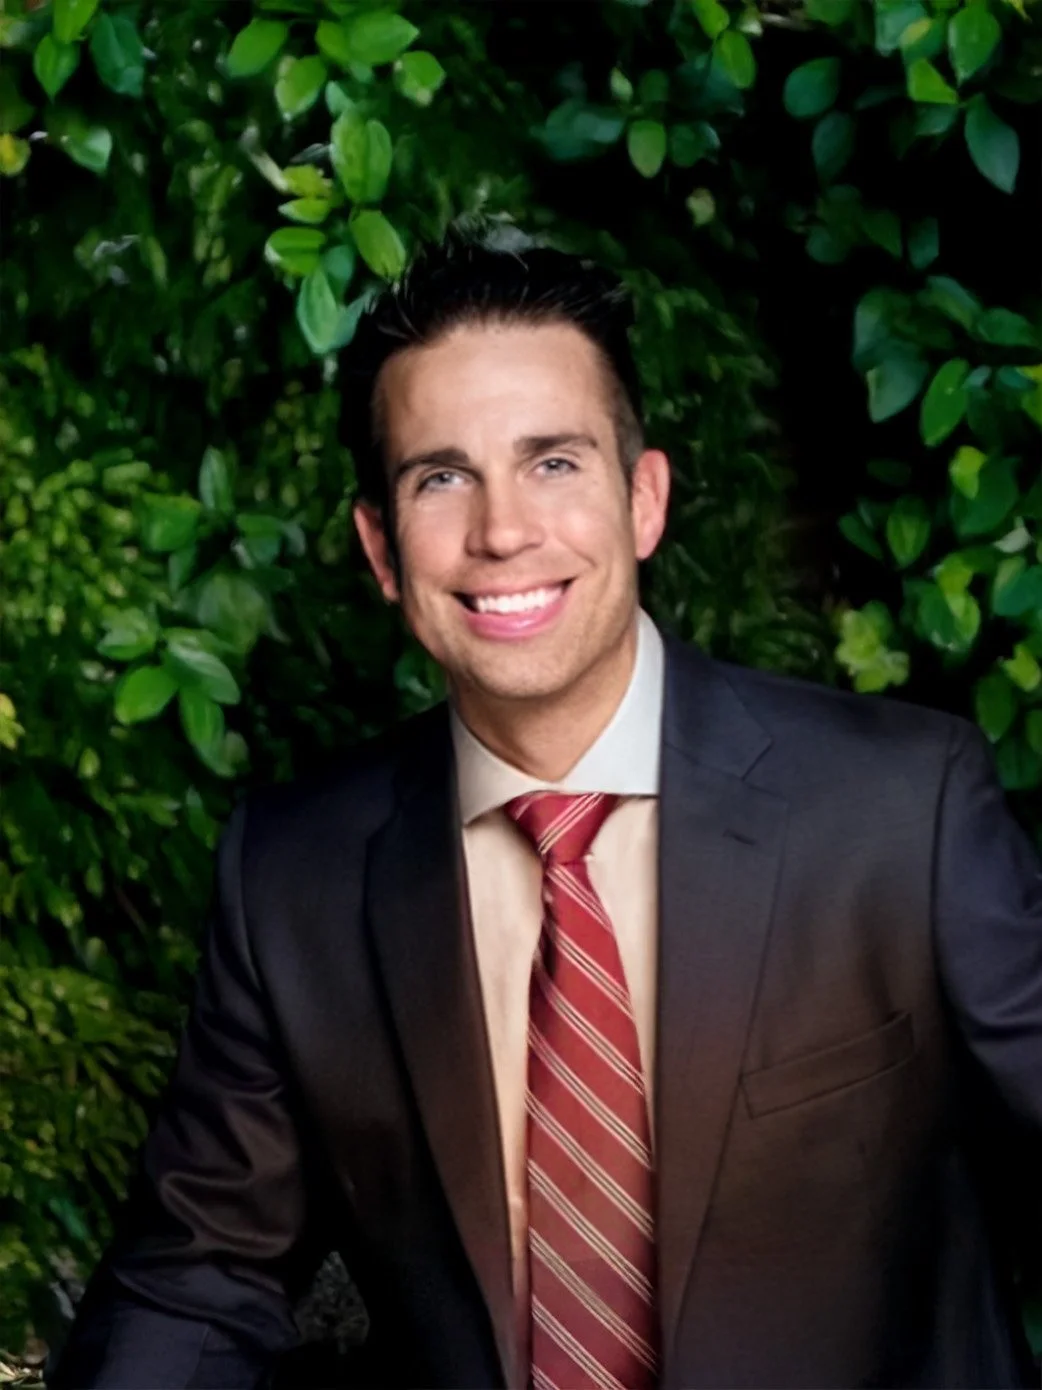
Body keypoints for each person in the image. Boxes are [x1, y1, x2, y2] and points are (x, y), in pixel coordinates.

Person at [51, 238, 1042, 1390]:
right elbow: (198, 1275)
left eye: (554, 463)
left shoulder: (898, 812)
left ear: (643, 499)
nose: (503, 530)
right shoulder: (295, 874)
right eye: (441, 476)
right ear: (380, 546)